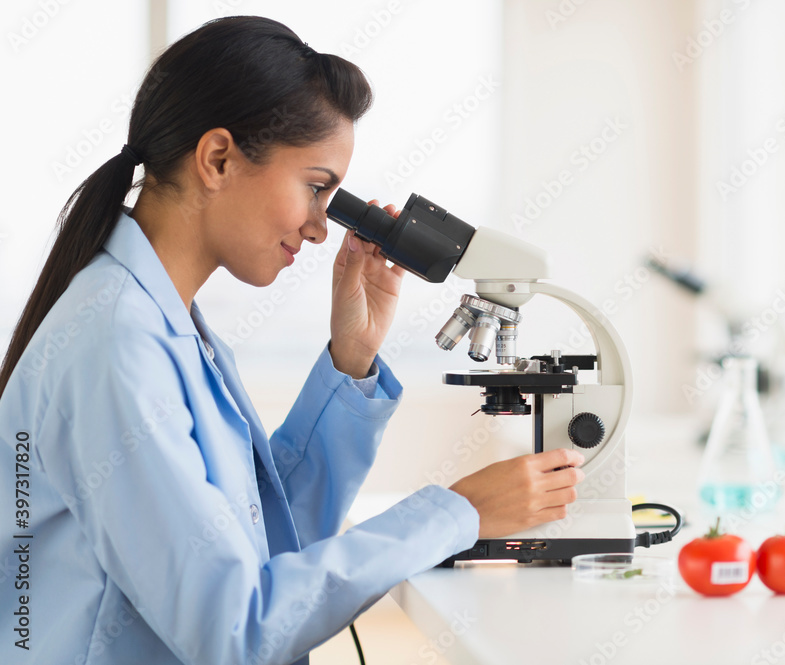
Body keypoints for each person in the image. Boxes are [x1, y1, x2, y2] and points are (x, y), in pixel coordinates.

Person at [0, 16, 584, 665]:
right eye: (315, 188)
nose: (318, 227)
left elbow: (270, 545)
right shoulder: (115, 344)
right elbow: (233, 628)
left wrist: (351, 356)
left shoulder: (168, 324)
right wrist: (456, 511)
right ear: (218, 158)